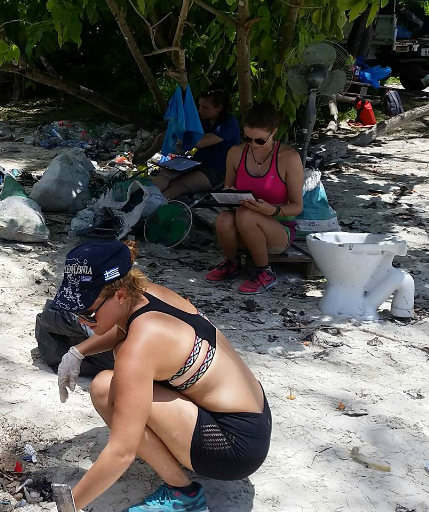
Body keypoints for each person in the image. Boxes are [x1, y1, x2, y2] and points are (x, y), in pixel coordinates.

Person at [54, 240, 271, 512]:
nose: (82, 321)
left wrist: (68, 507)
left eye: (87, 311)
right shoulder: (147, 294)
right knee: (116, 375)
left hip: (234, 446)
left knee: (104, 388)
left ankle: (184, 495)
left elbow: (122, 451)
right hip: (253, 415)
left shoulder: (141, 346)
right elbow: (123, 326)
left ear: (120, 294)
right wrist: (78, 351)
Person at [204, 102, 304, 295]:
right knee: (224, 218)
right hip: (242, 223)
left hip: (278, 228)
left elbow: (297, 206)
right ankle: (232, 263)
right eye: (247, 138)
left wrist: (273, 210)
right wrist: (230, 194)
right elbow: (228, 189)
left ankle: (264, 271)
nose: (252, 145)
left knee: (246, 215)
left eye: (259, 140)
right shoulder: (235, 153)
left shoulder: (289, 158)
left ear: (274, 132)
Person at [151, 89, 241, 201]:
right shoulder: (204, 119)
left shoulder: (229, 123)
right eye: (199, 106)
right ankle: (139, 199)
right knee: (165, 174)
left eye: (205, 108)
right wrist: (168, 145)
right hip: (196, 161)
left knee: (178, 185)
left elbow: (200, 143)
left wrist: (173, 136)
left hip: (217, 170)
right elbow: (186, 146)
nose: (200, 110)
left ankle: (151, 207)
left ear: (219, 107)